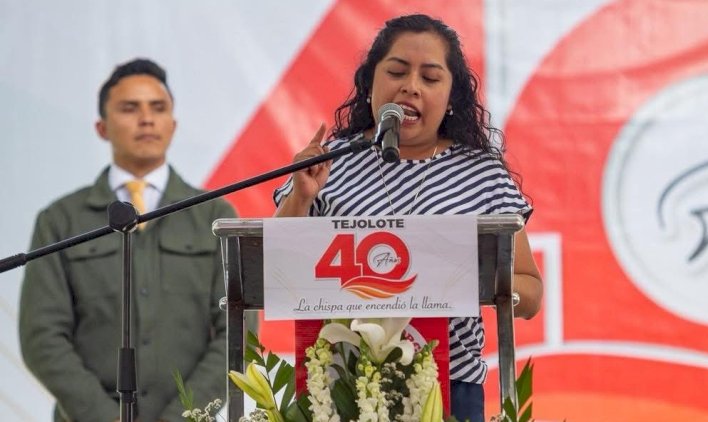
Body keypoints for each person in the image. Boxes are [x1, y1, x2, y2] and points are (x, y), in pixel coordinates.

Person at [274, 14, 543, 421]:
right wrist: (301, 196)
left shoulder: (482, 174)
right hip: (341, 387)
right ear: (370, 84)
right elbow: (275, 269)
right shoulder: (332, 163)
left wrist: (454, 280)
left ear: (451, 97)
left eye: (430, 78)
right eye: (397, 72)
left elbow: (530, 293)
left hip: (448, 388)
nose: (411, 86)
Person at [19, 58, 239, 422]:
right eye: (129, 108)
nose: (146, 119)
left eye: (158, 108)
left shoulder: (213, 215)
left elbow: (236, 332)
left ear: (173, 125)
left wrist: (182, 417)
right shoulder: (60, 220)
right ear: (102, 127)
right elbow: (42, 336)